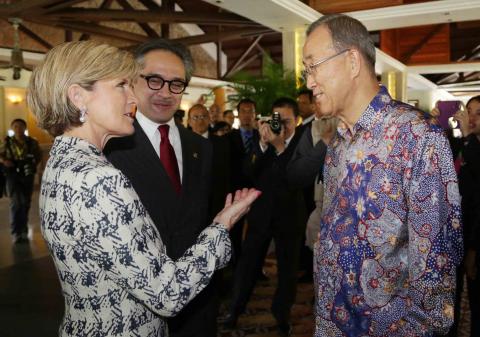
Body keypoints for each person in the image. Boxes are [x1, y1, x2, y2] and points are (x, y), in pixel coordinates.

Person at [27, 40, 259, 337]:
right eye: (121, 86)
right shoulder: (98, 178)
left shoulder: (63, 160)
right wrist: (222, 224)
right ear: (78, 97)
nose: (131, 98)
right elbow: (167, 294)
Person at [303, 14, 463, 336]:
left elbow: (435, 278)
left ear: (351, 61)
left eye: (313, 66)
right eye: (306, 71)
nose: (308, 82)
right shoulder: (337, 145)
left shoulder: (418, 138)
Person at [103, 38, 221, 337]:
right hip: (137, 304)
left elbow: (202, 217)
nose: (165, 93)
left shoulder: (201, 147)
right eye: (154, 80)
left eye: (176, 84)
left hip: (197, 297)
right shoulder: (110, 145)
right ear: (132, 80)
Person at [224, 97, 306, 336]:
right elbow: (248, 171)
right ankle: (234, 310)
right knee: (247, 265)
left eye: (287, 121)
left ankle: (282, 314)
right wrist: (261, 144)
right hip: (261, 215)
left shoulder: (303, 142)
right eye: (277, 120)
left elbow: (295, 178)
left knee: (288, 270)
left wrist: (280, 147)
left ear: (297, 120)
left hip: (290, 216)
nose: (281, 126)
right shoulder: (264, 140)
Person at [453, 95, 480, 337]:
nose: (471, 117)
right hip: (458, 232)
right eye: (468, 111)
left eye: (478, 113)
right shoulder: (466, 144)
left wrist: (472, 249)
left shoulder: (472, 146)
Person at [0, 118, 42, 243]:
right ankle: (16, 232)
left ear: (25, 128)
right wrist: (4, 161)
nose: (18, 129)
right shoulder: (7, 142)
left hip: (27, 174)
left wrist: (31, 163)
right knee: (16, 203)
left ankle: (23, 229)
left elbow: (38, 155)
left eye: (21, 126)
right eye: (16, 126)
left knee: (26, 202)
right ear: (12, 128)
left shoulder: (32, 142)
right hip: (12, 175)